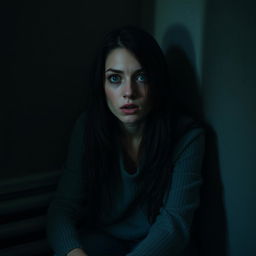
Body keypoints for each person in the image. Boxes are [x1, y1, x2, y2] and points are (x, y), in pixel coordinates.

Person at [47, 26, 205, 256]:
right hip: (102, 242)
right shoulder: (87, 127)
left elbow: (174, 226)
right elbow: (62, 207)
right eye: (115, 78)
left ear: (157, 81)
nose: (129, 92)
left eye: (141, 77)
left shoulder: (187, 137)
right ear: (102, 86)